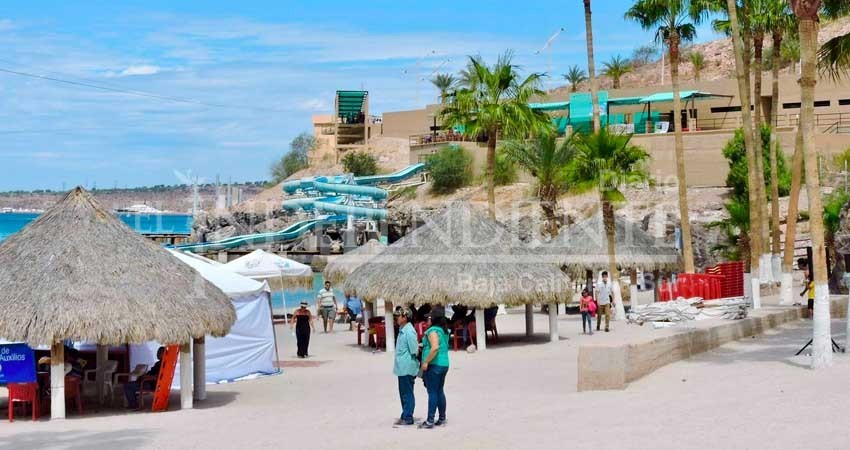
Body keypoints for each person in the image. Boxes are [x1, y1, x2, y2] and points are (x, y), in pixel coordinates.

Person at [419, 307, 449, 429]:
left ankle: (430, 420)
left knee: (432, 392)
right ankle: (441, 418)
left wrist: (426, 361)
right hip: (444, 364)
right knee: (439, 391)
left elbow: (435, 347)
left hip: (434, 365)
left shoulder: (432, 331)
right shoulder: (443, 331)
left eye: (429, 317)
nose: (427, 319)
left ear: (433, 319)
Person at [393, 307, 419, 427]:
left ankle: (408, 417)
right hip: (401, 367)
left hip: (407, 367)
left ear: (405, 317)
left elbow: (414, 350)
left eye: (398, 316)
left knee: (408, 393)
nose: (396, 318)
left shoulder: (409, 331)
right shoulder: (402, 329)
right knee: (403, 393)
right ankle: (405, 414)